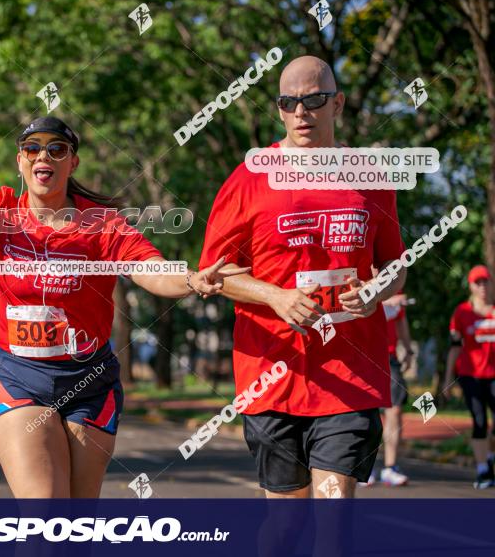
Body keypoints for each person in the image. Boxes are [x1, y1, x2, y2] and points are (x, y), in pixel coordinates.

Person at [0, 69, 246, 498]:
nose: (42, 156)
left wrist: (191, 280)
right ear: (20, 161)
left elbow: (148, 267)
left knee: (76, 525)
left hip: (90, 377)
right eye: (31, 148)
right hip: (17, 374)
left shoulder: (102, 224)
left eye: (56, 149)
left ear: (73, 161)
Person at [199, 56, 407, 499]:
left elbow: (397, 266)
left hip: (350, 375)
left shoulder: (369, 176)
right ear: (277, 109)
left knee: (333, 523)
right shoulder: (249, 177)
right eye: (289, 102)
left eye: (314, 100)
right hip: (271, 375)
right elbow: (215, 272)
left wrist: (375, 290)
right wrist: (274, 296)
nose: (301, 112)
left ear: (338, 104)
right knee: (286, 526)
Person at [445, 264, 495, 489]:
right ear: (471, 286)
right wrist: (447, 379)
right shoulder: (462, 312)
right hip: (470, 375)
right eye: (478, 282)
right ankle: (483, 469)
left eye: (486, 282)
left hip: (493, 375)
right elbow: (455, 347)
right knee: (480, 421)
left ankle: (489, 454)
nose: (483, 286)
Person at [364, 293, 414, 486]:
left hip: (390, 358)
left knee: (395, 409)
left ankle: (390, 467)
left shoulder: (394, 286)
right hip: (366, 356)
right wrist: (383, 303)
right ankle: (365, 468)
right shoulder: (360, 277)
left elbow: (402, 322)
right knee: (367, 412)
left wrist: (408, 350)